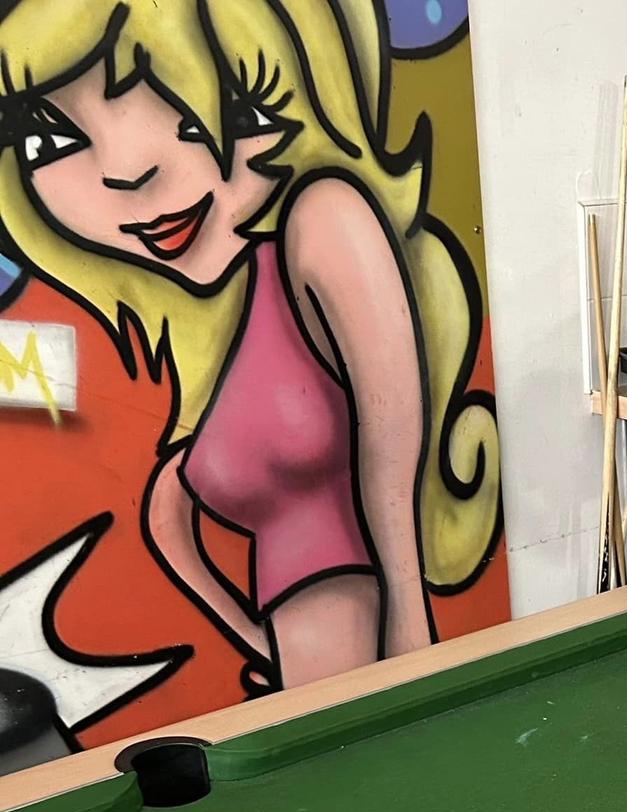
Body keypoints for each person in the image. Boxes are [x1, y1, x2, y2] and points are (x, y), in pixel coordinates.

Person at [0, 0, 499, 692]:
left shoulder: (323, 219)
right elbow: (167, 511)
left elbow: (392, 451)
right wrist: (265, 647)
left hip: (367, 684)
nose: (130, 172)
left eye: (196, 108)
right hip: (314, 691)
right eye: (49, 138)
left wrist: (413, 639)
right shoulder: (216, 325)